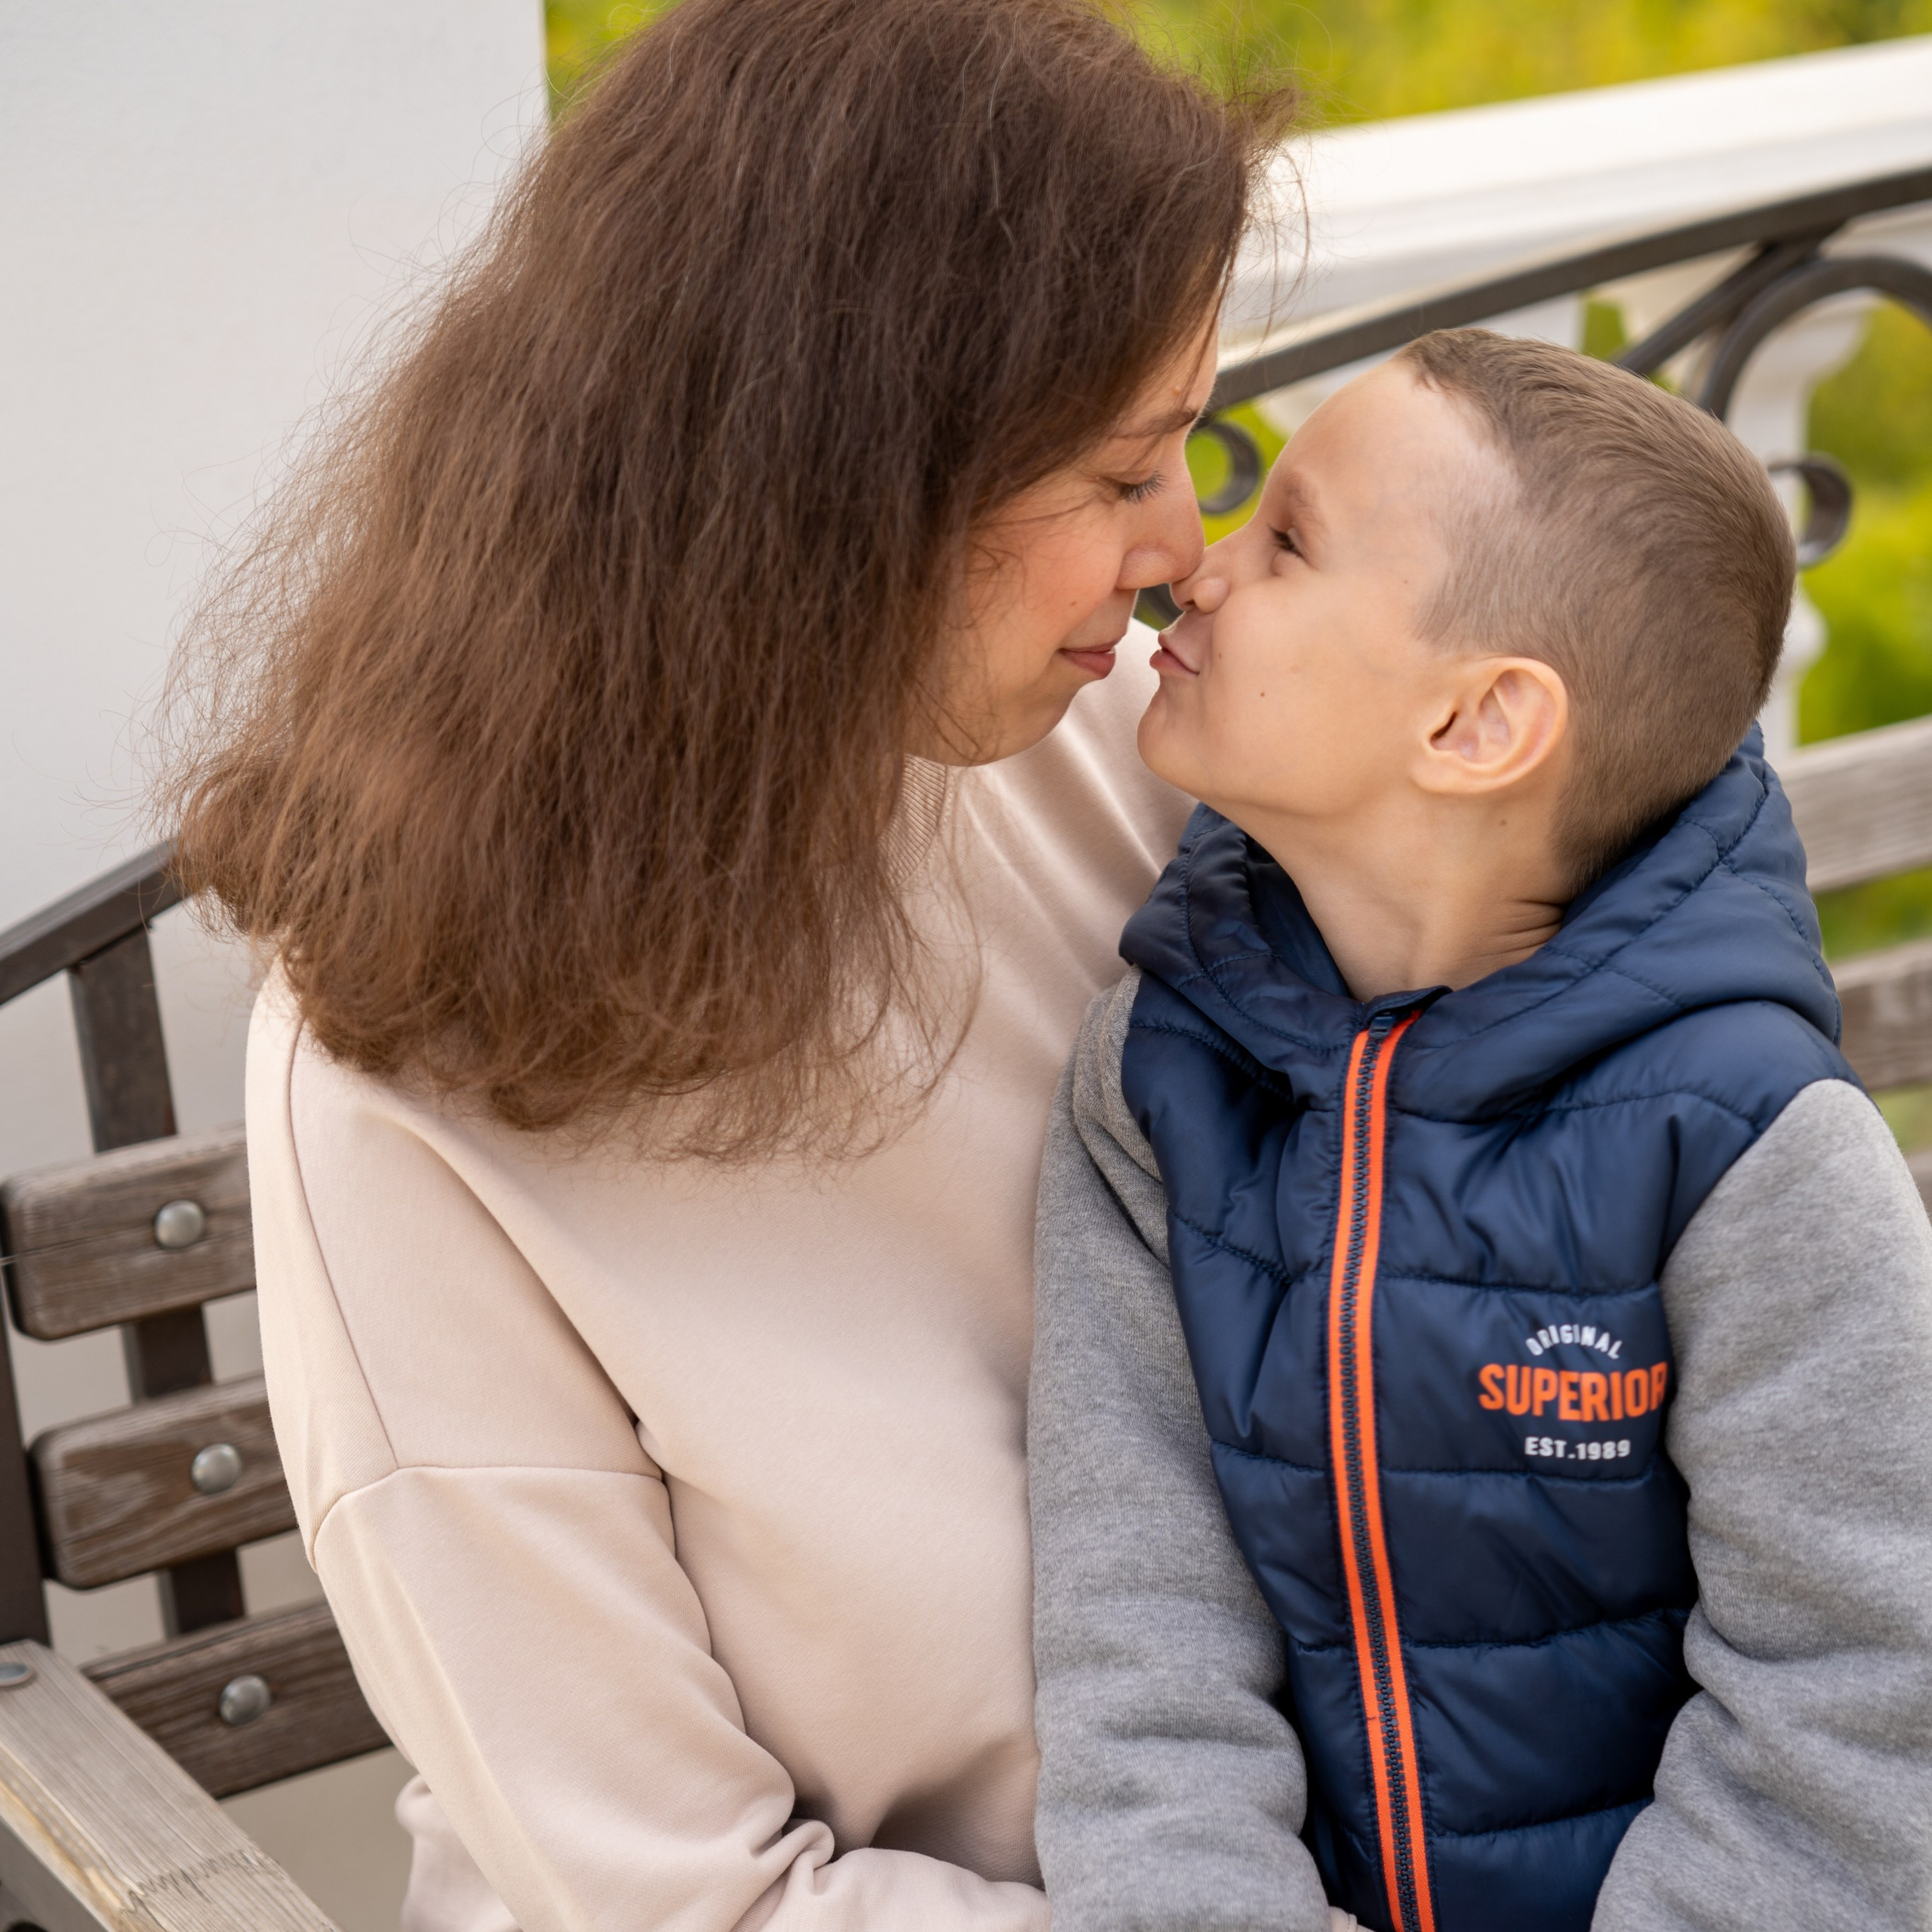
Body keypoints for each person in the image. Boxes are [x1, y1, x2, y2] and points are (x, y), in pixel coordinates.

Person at [156, 2, 1295, 1927]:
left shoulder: (1109, 746)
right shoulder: (396, 1091)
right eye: (1117, 475)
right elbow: (692, 1899)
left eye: (1189, 442)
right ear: (843, 485)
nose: (1181, 545)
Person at [1028, 329, 1932, 1932]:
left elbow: (1854, 1704)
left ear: (1472, 725)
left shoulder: (1749, 1154)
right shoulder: (1158, 1085)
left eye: (1287, 540)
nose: (1194, 564)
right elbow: (1139, 1639)